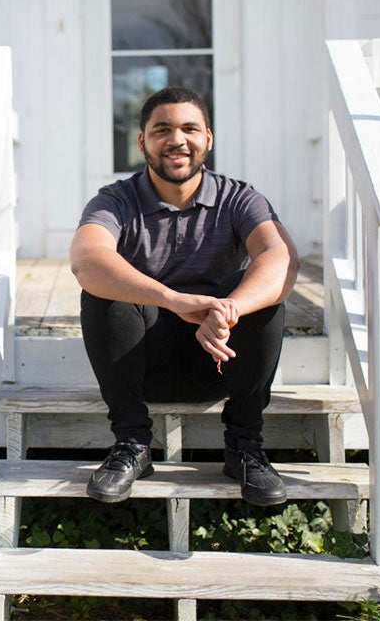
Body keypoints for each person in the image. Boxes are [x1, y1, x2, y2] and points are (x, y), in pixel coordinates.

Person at [70, 86, 299, 506]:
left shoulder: (239, 198)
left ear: (207, 139)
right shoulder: (115, 200)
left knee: (262, 297)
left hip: (219, 362)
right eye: (162, 130)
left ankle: (245, 446)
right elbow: (87, 259)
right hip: (141, 365)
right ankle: (132, 445)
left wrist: (230, 310)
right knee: (103, 291)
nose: (177, 140)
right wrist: (173, 299)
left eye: (189, 128)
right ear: (143, 142)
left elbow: (281, 259)